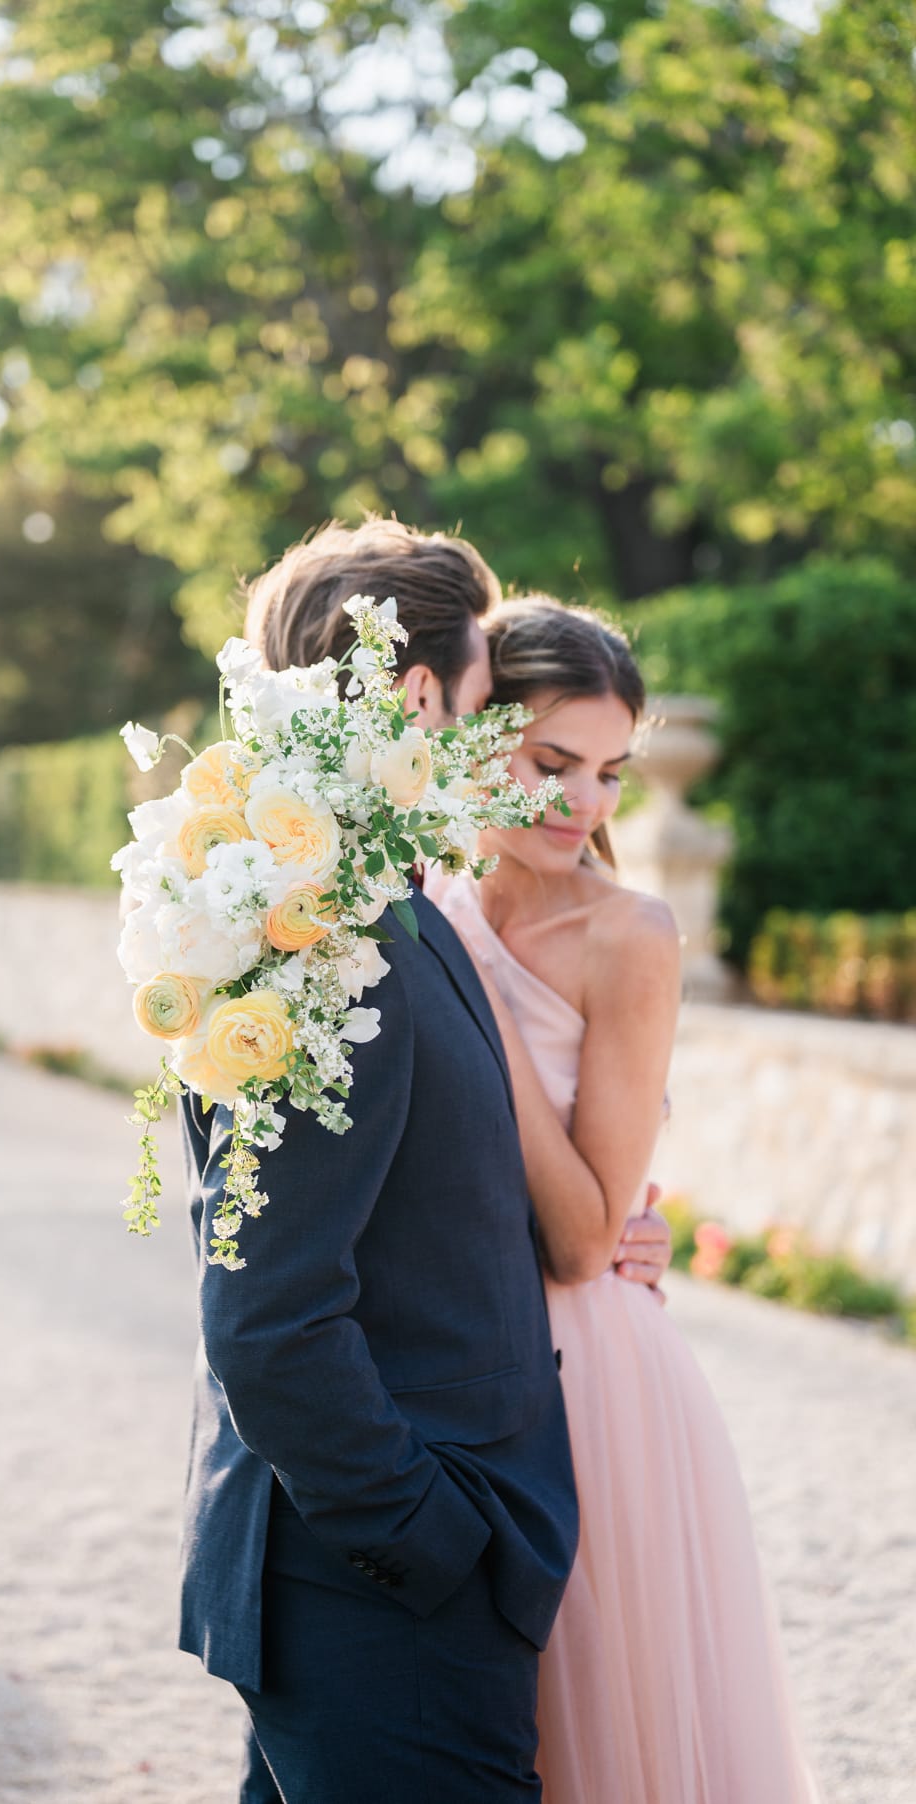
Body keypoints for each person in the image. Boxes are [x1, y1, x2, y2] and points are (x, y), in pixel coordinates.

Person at [177, 518, 671, 1803]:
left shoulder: (357, 901)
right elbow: (270, 1310)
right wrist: (431, 1540)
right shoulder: (335, 938)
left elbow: (410, 1193)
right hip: (381, 1591)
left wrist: (616, 1226)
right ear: (414, 693)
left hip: (360, 1577)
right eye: (480, 704)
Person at [429, 593, 820, 1803]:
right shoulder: (404, 895)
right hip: (438, 1349)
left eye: (610, 772)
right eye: (554, 762)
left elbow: (592, 1232)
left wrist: (479, 1008)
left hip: (585, 1380)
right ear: (469, 734)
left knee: (594, 1734)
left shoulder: (629, 935)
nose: (587, 805)